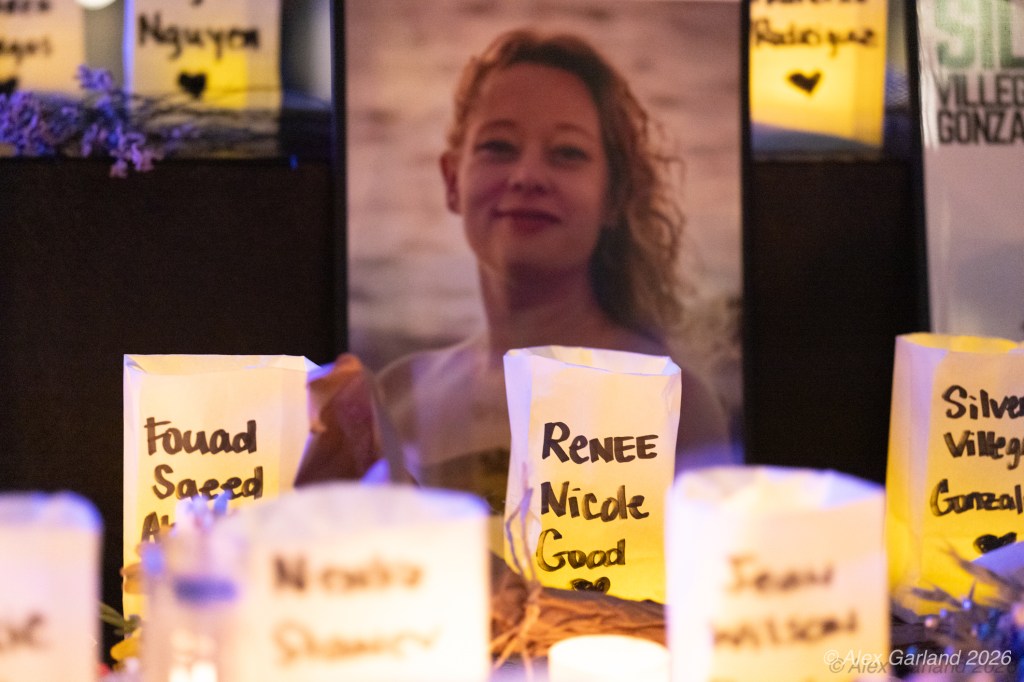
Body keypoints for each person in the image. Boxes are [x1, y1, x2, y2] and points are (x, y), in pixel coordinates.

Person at [371, 27, 735, 513]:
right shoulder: (398, 399)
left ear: (614, 197)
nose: (526, 177)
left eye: (567, 153)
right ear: (451, 180)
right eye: (498, 146)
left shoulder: (673, 403)